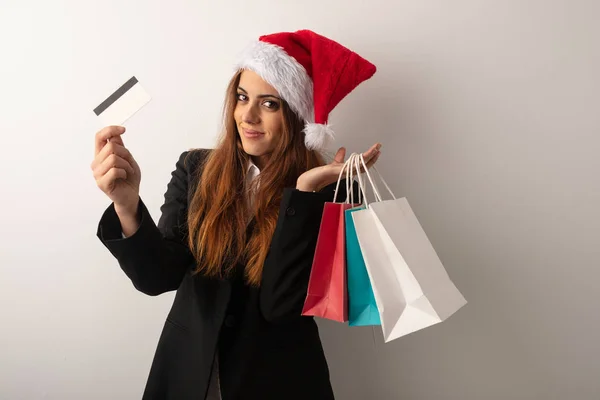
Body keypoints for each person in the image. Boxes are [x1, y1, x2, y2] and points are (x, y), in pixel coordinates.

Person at [92, 29, 381, 400]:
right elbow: (157, 277)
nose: (247, 115)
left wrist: (304, 193)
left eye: (270, 104)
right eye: (242, 97)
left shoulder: (332, 193)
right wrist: (126, 204)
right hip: (189, 374)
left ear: (297, 116)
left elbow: (280, 306)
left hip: (280, 381)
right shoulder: (195, 167)